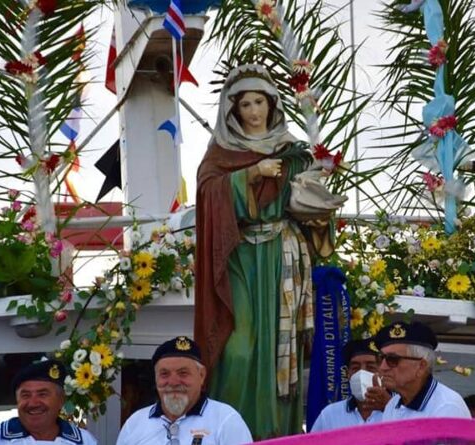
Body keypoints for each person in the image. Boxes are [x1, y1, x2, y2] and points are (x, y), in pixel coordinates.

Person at [195, 63, 328, 438]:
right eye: (245, 104)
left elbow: (307, 207)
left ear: (273, 104)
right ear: (232, 111)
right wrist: (250, 175)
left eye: (260, 102)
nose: (254, 111)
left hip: (282, 253)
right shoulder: (221, 153)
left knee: (277, 352)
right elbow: (207, 193)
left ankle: (274, 434)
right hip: (237, 253)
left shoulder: (293, 151)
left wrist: (318, 204)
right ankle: (230, 435)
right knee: (237, 348)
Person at [116, 336, 252, 445]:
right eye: (164, 374)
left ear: (202, 376)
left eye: (183, 373)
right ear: (156, 378)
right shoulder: (135, 424)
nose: (173, 382)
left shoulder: (226, 421)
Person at [0, 359, 97, 445]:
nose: (33, 403)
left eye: (42, 394)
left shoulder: (84, 441)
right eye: (25, 395)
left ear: (61, 400)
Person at [374, 321, 471, 421]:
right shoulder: (393, 405)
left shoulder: (447, 406)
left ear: (421, 366)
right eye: (381, 358)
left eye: (392, 359)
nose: (382, 367)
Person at [311, 339, 389, 432]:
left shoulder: (399, 412)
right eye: (355, 368)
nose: (362, 373)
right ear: (348, 374)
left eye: (370, 367)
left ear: (382, 372)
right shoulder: (330, 415)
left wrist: (388, 406)